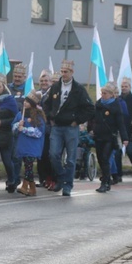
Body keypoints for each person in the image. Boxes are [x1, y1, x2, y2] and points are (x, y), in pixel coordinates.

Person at [42, 60, 94, 196]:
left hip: (71, 127)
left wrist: (77, 120)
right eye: (62, 71)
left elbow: (89, 108)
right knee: (53, 155)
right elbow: (46, 104)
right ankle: (61, 176)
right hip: (57, 127)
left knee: (71, 158)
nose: (63, 74)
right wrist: (50, 117)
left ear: (72, 72)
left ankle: (67, 185)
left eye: (66, 72)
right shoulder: (55, 87)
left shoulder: (78, 89)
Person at [89, 83, 128, 193]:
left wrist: (125, 138)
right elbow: (92, 119)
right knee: (101, 159)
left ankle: (104, 182)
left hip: (110, 137)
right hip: (98, 136)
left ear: (111, 95)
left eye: (105, 93)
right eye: (102, 93)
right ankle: (106, 178)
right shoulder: (98, 105)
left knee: (106, 158)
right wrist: (90, 129)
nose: (103, 95)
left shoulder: (116, 107)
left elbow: (121, 124)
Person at [12, 90, 46, 196]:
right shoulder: (20, 114)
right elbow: (13, 129)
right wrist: (18, 125)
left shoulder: (38, 116)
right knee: (27, 166)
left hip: (32, 146)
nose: (25, 103)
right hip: (23, 144)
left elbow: (39, 132)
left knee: (29, 165)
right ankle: (32, 189)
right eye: (25, 101)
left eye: (27, 101)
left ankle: (24, 185)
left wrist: (25, 129)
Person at [36, 70, 54, 188]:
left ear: (51, 82)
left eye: (46, 80)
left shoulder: (53, 94)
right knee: (39, 155)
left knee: (48, 154)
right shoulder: (36, 94)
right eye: (42, 81)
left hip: (48, 128)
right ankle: (42, 178)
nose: (44, 83)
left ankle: (50, 178)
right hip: (38, 128)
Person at [118, 77, 132, 180]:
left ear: (130, 87)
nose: (124, 88)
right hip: (119, 129)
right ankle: (118, 174)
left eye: (126, 86)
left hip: (130, 129)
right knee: (118, 153)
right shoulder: (117, 99)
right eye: (122, 86)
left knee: (131, 153)